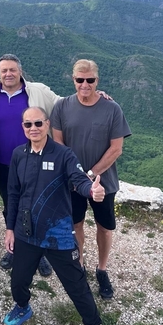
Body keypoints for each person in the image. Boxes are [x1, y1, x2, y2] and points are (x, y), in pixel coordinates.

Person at [3, 106, 105, 325]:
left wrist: (92, 189)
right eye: (28, 125)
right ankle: (22, 307)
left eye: (38, 123)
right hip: (25, 231)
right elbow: (13, 194)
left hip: (57, 233)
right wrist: (9, 229)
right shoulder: (19, 154)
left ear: (47, 125)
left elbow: (78, 179)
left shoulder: (63, 154)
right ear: (23, 128)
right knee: (18, 280)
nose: (33, 129)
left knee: (76, 286)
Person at [51, 59, 131, 300]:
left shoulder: (112, 109)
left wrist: (91, 174)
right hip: (71, 181)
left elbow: (116, 148)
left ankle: (102, 269)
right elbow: (58, 143)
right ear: (73, 79)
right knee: (76, 225)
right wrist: (76, 175)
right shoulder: (62, 106)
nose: (85, 84)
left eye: (90, 80)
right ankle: (81, 264)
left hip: (103, 182)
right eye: (80, 79)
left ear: (98, 80)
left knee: (104, 227)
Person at [0, 54, 61, 274]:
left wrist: (95, 96)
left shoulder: (37, 91)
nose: (8, 74)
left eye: (12, 70)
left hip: (35, 162)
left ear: (20, 71)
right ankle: (14, 247)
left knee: (37, 207)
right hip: (4, 165)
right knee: (11, 207)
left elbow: (64, 105)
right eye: (4, 70)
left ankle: (39, 252)